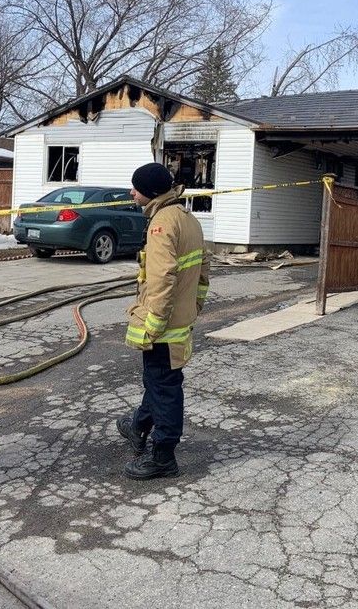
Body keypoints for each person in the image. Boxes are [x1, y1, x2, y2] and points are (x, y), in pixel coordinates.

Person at [118, 162, 210, 479]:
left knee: (165, 388)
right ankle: (138, 426)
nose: (132, 192)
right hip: (180, 321)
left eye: (136, 187)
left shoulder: (161, 224)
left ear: (152, 192)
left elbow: (161, 280)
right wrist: (194, 308)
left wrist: (154, 325)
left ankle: (163, 456)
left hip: (164, 328)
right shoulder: (189, 219)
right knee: (158, 382)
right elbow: (203, 275)